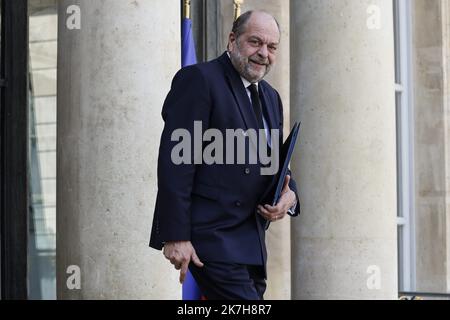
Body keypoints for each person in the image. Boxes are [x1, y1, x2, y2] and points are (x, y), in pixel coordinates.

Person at [149, 10, 300, 300]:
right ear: (233, 40)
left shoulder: (271, 97)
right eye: (255, 42)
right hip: (211, 238)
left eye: (272, 47)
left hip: (252, 241)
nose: (263, 53)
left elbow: (274, 165)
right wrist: (176, 235)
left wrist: (290, 195)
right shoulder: (199, 80)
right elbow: (176, 164)